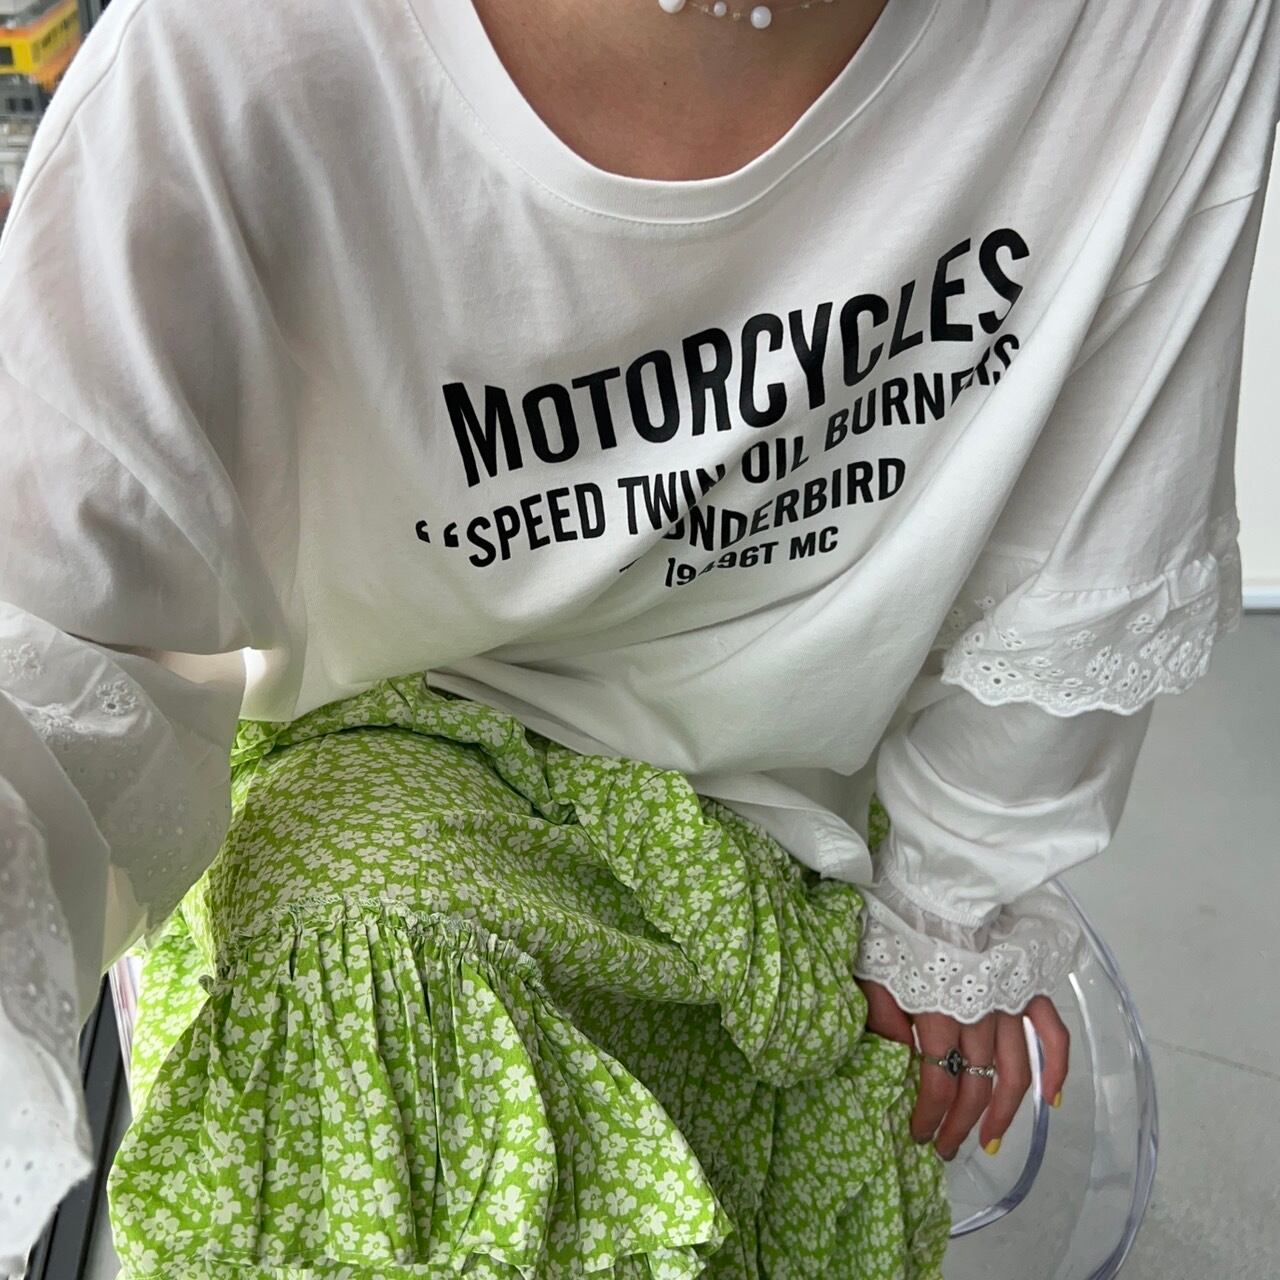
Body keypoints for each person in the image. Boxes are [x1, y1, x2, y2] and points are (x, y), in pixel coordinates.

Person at [1, 0, 1278, 1274]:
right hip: (389, 757)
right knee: (369, 1024)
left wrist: (954, 900)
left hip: (799, 821)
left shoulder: (1154, 28)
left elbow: (1085, 540)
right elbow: (58, 640)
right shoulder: (228, 59)